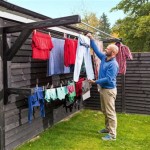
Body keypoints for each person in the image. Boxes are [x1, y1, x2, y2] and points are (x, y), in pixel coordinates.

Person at [87, 33, 119, 141]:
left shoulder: (113, 64)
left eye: (108, 48)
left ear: (113, 53)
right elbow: (96, 50)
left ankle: (112, 135)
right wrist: (91, 39)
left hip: (109, 90)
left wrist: (95, 82)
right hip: (103, 89)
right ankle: (107, 128)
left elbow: (108, 79)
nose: (106, 49)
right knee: (105, 111)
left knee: (110, 112)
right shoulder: (105, 58)